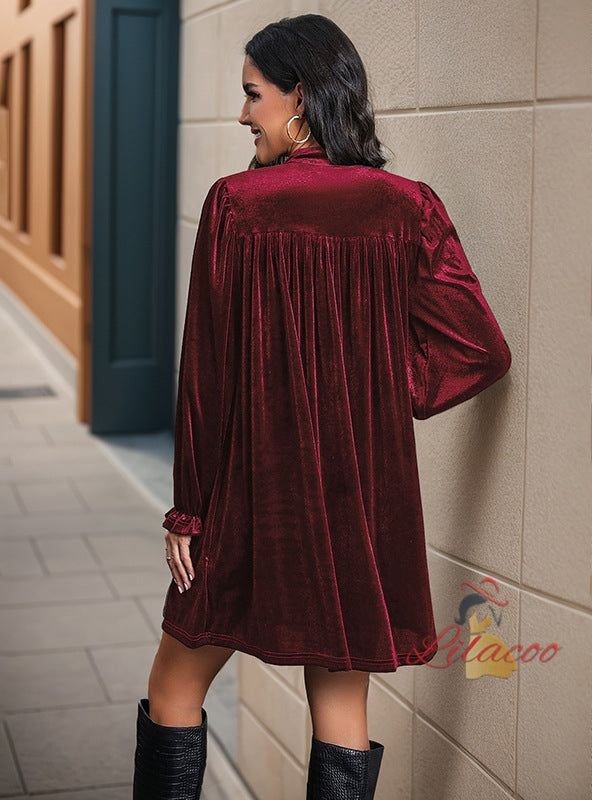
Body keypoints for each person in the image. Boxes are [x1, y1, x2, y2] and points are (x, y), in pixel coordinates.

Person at [133, 13, 511, 800]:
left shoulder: (236, 205)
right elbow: (479, 349)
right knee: (340, 710)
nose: (243, 113)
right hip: (356, 508)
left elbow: (206, 377)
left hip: (252, 499)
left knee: (174, 686)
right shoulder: (410, 207)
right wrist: (377, 391)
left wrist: (188, 513)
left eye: (253, 94)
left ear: (299, 96)